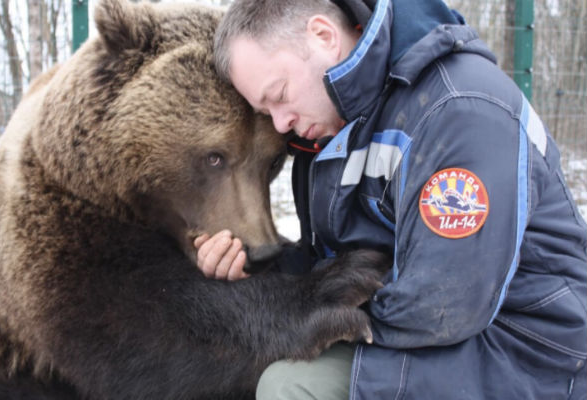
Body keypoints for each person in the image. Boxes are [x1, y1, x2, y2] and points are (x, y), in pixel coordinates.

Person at [194, 0, 587, 398]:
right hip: (438, 334)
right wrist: (262, 272)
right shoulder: (329, 129)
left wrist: (303, 312)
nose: (280, 123)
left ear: (323, 36)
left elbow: (444, 306)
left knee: (293, 386)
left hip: (528, 350)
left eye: (278, 95)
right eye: (266, 112)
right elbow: (341, 262)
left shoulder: (460, 111)